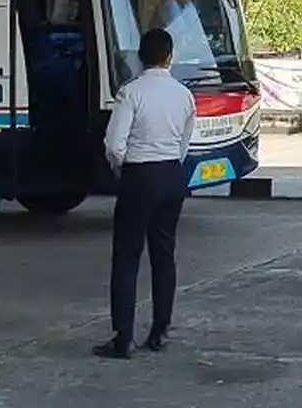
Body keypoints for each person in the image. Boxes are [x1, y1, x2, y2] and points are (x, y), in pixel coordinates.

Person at [94, 28, 196, 360]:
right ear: (170, 57)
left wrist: (123, 167)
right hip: (172, 175)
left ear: (140, 57)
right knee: (164, 253)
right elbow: (184, 141)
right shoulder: (184, 95)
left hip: (140, 175)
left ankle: (124, 337)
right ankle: (160, 330)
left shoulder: (131, 93)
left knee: (127, 256)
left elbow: (113, 143)